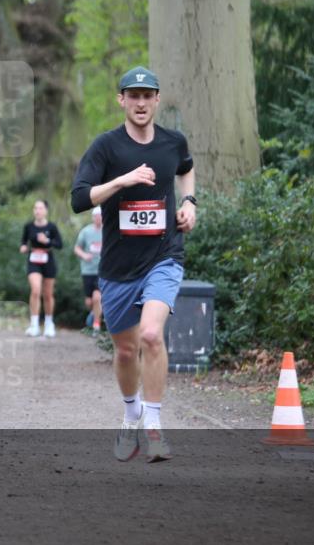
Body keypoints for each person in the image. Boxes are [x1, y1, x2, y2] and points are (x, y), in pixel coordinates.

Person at [70, 66, 197, 463]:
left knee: (152, 336)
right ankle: (131, 415)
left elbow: (186, 168)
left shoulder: (173, 142)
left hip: (164, 257)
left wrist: (190, 203)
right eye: (133, 95)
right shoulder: (105, 147)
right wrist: (121, 182)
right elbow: (78, 199)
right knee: (125, 351)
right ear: (121, 100)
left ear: (157, 100)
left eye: (148, 95)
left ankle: (155, 427)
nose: (141, 102)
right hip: (118, 267)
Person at [19, 200, 63, 337]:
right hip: (33, 260)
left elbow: (60, 244)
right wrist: (23, 247)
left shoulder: (52, 226)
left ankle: (49, 324)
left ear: (46, 211)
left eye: (40, 208)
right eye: (35, 208)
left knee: (48, 294)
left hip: (48, 260)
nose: (37, 210)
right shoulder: (28, 226)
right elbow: (23, 242)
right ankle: (34, 325)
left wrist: (47, 241)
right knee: (36, 290)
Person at [74, 206, 104, 333]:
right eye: (96, 216)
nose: (98, 218)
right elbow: (77, 248)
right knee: (89, 301)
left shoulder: (107, 231)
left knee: (97, 297)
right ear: (93, 218)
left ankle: (96, 324)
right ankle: (94, 313)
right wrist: (84, 255)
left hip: (102, 270)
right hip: (87, 270)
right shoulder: (85, 232)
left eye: (100, 216)